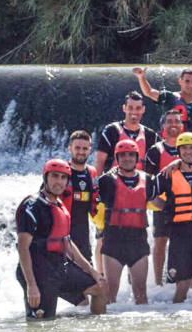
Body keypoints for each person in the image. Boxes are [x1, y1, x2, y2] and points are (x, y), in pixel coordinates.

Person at [16, 159, 106, 319]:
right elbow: (23, 248)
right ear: (45, 177)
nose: (59, 181)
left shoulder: (59, 205)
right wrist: (31, 285)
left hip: (59, 266)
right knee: (42, 324)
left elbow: (68, 243)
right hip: (38, 271)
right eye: (55, 176)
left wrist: (92, 270)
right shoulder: (31, 206)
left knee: (98, 288)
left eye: (63, 178)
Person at [152, 132, 192, 303]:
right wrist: (166, 207)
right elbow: (148, 192)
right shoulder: (168, 174)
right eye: (184, 149)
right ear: (179, 152)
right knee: (182, 285)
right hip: (180, 233)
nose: (188, 152)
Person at [95, 140, 152, 305]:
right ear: (117, 158)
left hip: (138, 241)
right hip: (114, 241)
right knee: (110, 293)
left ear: (136, 157)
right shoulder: (105, 181)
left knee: (141, 294)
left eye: (131, 155)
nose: (127, 158)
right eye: (123, 155)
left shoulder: (148, 180)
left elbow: (161, 201)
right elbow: (93, 204)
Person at [144, 109, 183, 286]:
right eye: (169, 121)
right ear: (163, 126)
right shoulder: (155, 151)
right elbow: (147, 183)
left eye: (177, 121)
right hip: (163, 204)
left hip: (185, 203)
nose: (173, 124)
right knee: (160, 241)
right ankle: (158, 282)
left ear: (182, 126)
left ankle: (182, 281)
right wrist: (159, 203)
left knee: (183, 243)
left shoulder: (190, 148)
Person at [96, 91, 160, 173]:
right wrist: (97, 184)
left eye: (138, 108)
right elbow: (99, 162)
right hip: (113, 182)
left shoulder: (151, 135)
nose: (134, 112)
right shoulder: (111, 131)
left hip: (141, 183)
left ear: (143, 109)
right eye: (130, 108)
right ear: (124, 108)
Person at [133, 66, 192, 135]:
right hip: (170, 146)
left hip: (191, 148)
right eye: (187, 81)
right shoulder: (170, 98)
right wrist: (141, 77)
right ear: (180, 81)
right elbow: (149, 92)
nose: (190, 85)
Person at [62, 130, 98, 262]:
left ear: (90, 150)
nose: (81, 152)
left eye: (85, 148)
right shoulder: (60, 171)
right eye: (77, 148)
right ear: (70, 148)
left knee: (89, 278)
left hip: (83, 236)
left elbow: (96, 201)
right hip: (61, 234)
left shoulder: (92, 173)